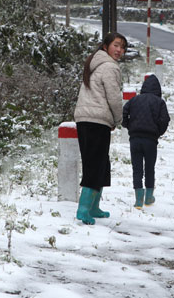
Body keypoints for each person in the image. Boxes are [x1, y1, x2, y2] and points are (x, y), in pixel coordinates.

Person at [73, 32, 127, 224]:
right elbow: (113, 97)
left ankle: (94, 207)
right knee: (96, 165)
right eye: (116, 45)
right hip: (97, 121)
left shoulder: (94, 63)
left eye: (122, 47)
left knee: (100, 164)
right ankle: (84, 209)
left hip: (85, 119)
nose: (119, 50)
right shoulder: (110, 67)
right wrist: (118, 119)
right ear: (106, 46)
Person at [122, 75, 170, 209]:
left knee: (136, 169)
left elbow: (124, 113)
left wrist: (129, 126)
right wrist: (157, 132)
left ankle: (138, 200)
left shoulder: (134, 100)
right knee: (149, 169)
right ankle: (149, 197)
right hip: (150, 141)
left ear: (143, 88)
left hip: (135, 139)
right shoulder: (160, 102)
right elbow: (165, 120)